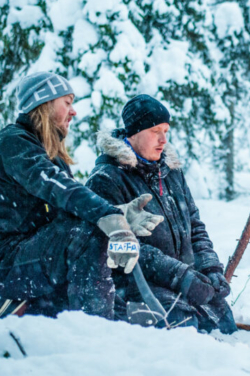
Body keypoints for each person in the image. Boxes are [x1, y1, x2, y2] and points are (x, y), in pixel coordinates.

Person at [0, 72, 161, 319]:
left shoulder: (50, 155)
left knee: (91, 230)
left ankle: (116, 323)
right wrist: (108, 215)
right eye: (67, 102)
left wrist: (119, 214)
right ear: (43, 103)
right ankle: (98, 333)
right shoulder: (13, 142)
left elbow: (69, 208)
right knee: (87, 233)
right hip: (8, 263)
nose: (73, 111)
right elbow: (56, 186)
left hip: (33, 258)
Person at [86, 95, 236, 334]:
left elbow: (194, 225)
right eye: (155, 130)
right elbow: (117, 247)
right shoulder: (107, 179)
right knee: (183, 329)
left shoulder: (171, 171)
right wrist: (180, 276)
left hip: (184, 281)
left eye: (166, 130)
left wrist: (210, 268)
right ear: (133, 133)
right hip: (137, 287)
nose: (163, 139)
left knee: (225, 325)